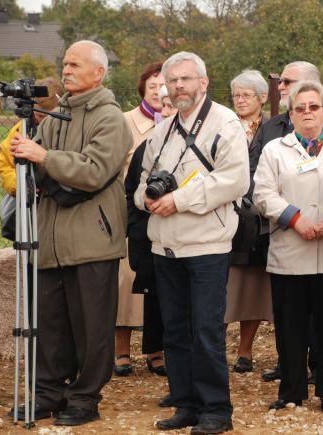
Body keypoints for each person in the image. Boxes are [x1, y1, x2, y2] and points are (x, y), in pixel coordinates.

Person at [8, 40, 133, 426]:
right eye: (65, 63)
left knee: (92, 326)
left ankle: (84, 397)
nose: (67, 70)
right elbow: (37, 166)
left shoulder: (110, 118)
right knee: (49, 323)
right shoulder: (55, 113)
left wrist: (44, 158)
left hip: (92, 239)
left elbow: (95, 169)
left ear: (98, 72)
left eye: (76, 64)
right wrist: (31, 158)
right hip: (51, 236)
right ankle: (47, 393)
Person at [134, 51, 249, 434]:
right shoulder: (162, 129)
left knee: (206, 331)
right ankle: (184, 404)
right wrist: (147, 200)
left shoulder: (226, 123)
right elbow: (141, 182)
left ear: (204, 82)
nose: (179, 85)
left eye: (187, 78)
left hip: (206, 247)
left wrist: (178, 199)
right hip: (164, 246)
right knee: (175, 331)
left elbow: (235, 181)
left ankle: (216, 410)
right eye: (173, 80)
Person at [253, 80, 323, 412]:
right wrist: (296, 220)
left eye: (314, 107)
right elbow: (263, 195)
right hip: (290, 252)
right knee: (290, 327)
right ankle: (291, 390)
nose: (307, 113)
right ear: (290, 114)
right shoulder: (273, 150)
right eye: (300, 108)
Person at [115, 62, 166, 377]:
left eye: (165, 88)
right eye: (153, 87)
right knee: (126, 283)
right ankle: (121, 350)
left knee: (158, 284)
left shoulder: (178, 126)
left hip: (165, 217)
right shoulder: (125, 122)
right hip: (130, 214)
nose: (159, 93)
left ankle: (156, 350)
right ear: (143, 89)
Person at [226, 69, 272, 373]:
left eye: (247, 95)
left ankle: (245, 350)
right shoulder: (224, 125)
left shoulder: (273, 128)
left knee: (253, 286)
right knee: (225, 284)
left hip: (257, 218)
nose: (240, 101)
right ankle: (216, 348)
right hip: (227, 213)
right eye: (236, 95)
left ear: (262, 98)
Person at [0, 77, 63, 196]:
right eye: (39, 115)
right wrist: (19, 184)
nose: (44, 122)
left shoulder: (71, 129)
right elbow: (3, 161)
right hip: (29, 201)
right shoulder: (21, 129)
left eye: (48, 116)